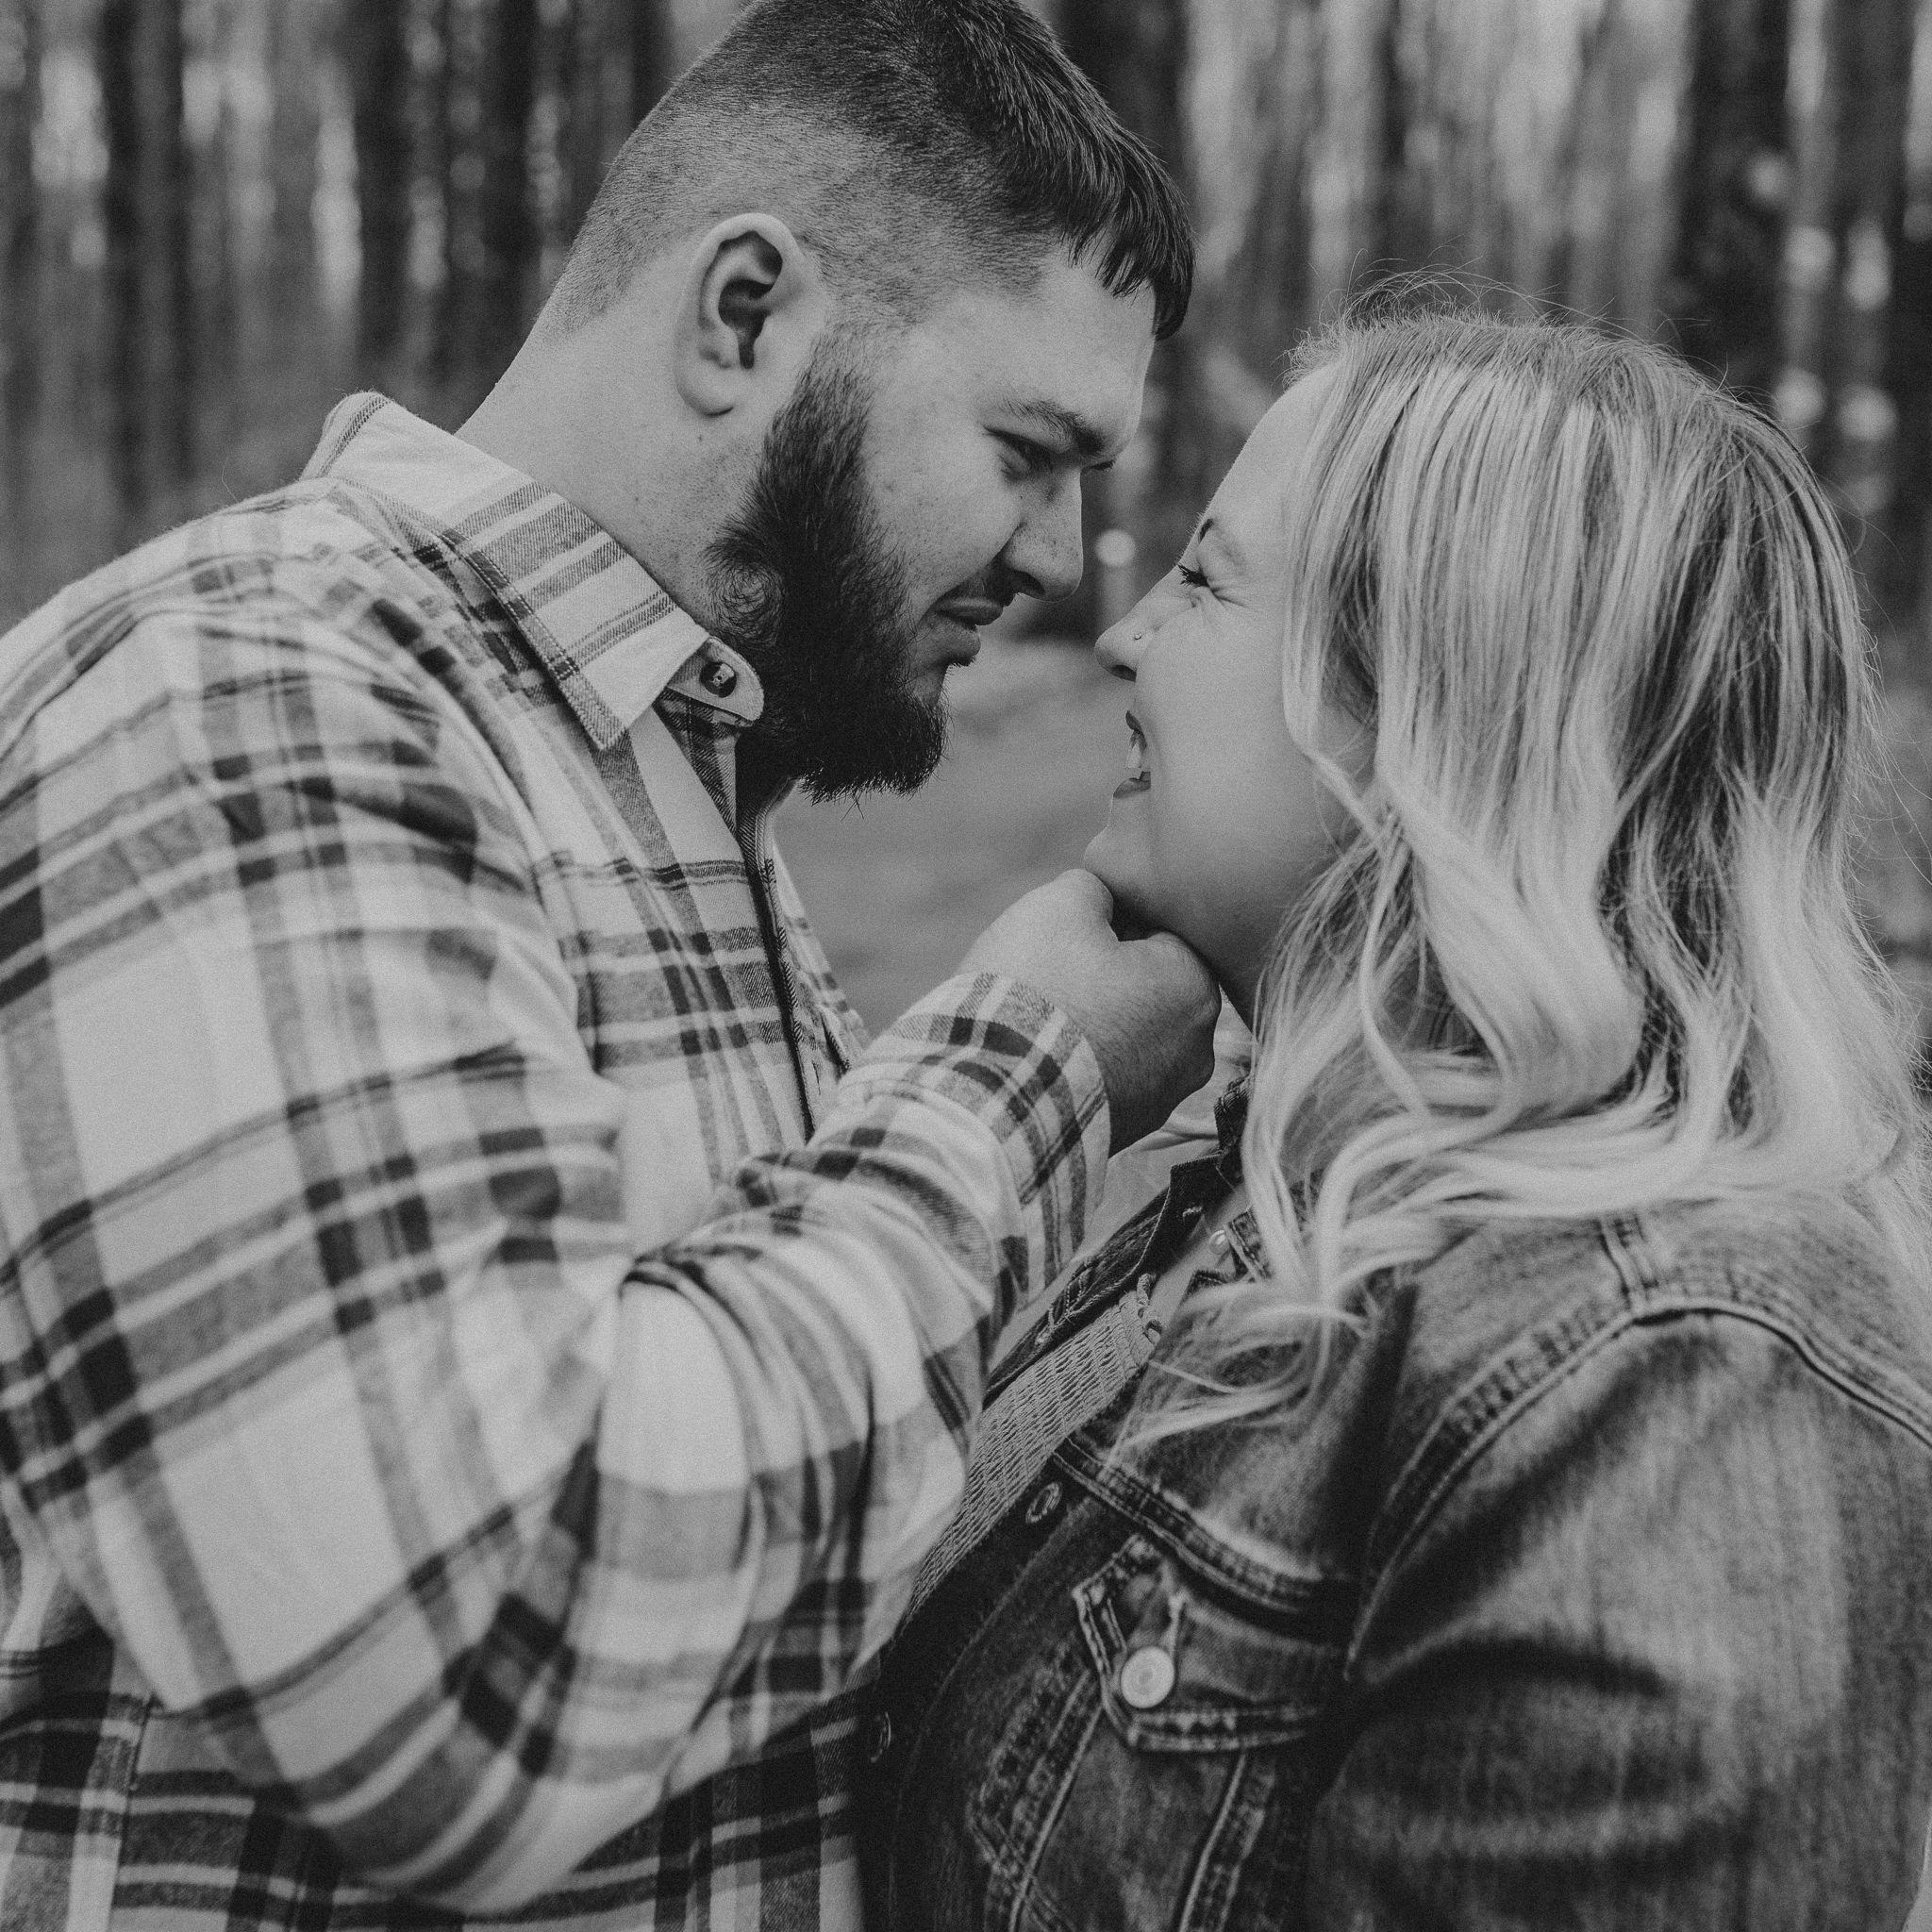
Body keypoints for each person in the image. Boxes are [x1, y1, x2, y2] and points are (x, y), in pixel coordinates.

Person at [0, 3, 1222, 1926]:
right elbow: (474, 1671)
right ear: (743, 316)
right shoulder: (244, 693)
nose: (1067, 557)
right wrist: (1020, 1084)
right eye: (1024, 450)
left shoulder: (660, 778)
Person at [858, 302, 1932, 1929]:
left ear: (1433, 701)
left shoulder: (1674, 1379)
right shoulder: (1274, 1202)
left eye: (1208, 579)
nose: (1126, 635)